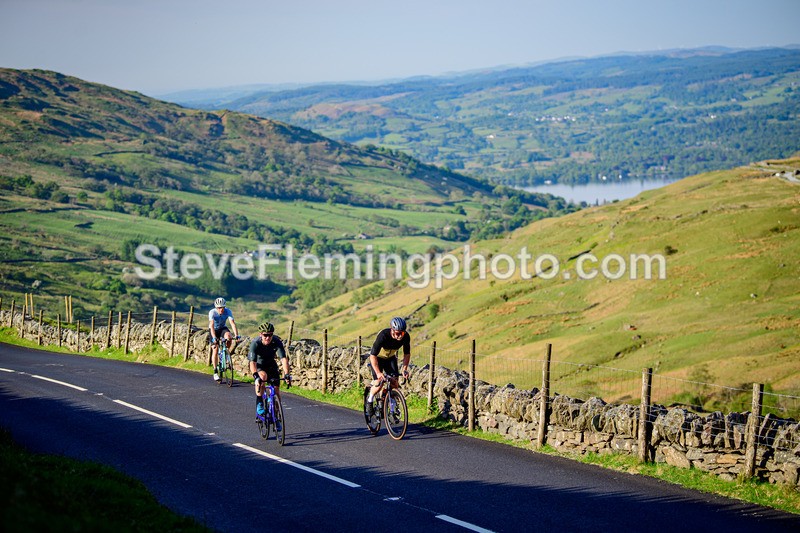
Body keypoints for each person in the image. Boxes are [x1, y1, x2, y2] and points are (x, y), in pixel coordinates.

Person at [366, 316, 410, 415]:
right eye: (398, 333)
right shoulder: (383, 335)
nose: (400, 336)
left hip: (390, 358)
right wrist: (378, 373)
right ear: (392, 330)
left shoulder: (406, 337)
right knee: (379, 383)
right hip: (378, 358)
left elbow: (407, 354)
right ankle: (370, 400)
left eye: (402, 333)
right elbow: (372, 355)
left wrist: (405, 369)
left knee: (394, 383)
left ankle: (388, 403)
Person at [248, 322, 292, 417]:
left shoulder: (276, 341)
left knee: (276, 390)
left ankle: (276, 415)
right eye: (265, 335)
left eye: (270, 335)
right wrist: (256, 376)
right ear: (261, 335)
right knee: (263, 377)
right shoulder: (256, 343)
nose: (268, 337)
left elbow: (283, 359)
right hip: (259, 366)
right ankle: (259, 402)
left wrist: (287, 374)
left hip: (271, 365)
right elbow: (252, 363)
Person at [208, 297, 239, 382]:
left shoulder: (228, 311)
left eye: (222, 307)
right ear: (216, 307)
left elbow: (232, 323)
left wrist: (236, 335)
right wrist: (214, 338)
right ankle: (215, 371)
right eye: (219, 308)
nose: (221, 309)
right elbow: (211, 325)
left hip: (222, 328)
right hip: (213, 330)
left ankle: (225, 353)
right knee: (215, 349)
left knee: (229, 337)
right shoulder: (212, 312)